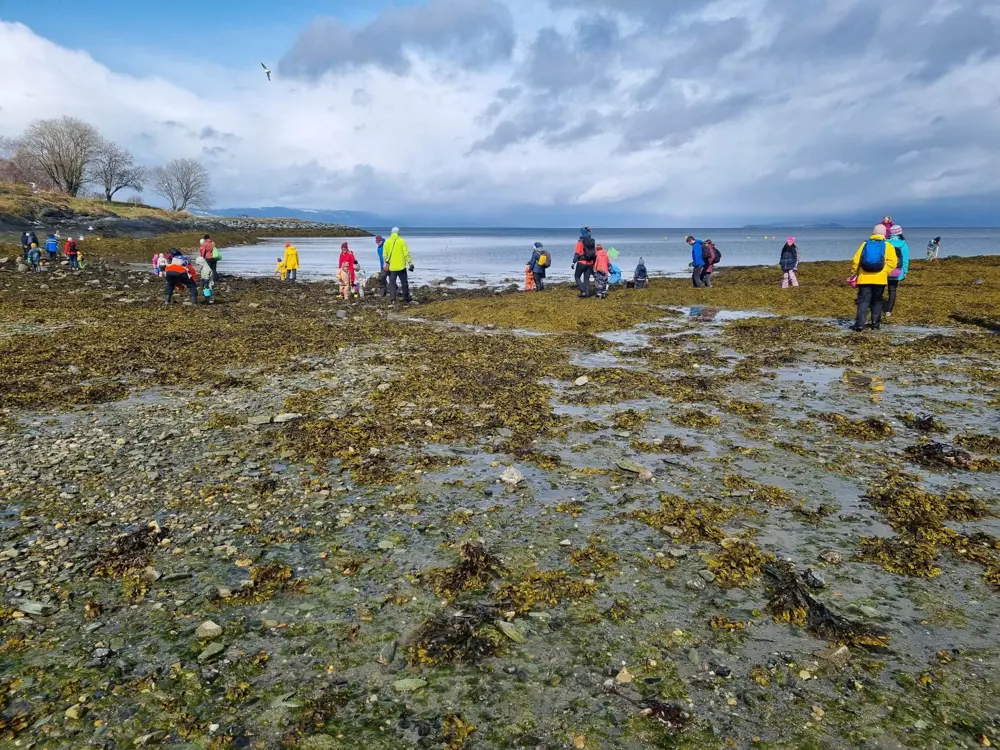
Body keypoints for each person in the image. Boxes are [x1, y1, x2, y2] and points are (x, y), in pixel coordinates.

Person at [850, 226, 898, 331]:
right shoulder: (888, 245)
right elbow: (893, 262)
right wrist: (885, 272)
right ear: (884, 234)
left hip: (864, 278)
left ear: (873, 233)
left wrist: (856, 272)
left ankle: (860, 324)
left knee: (863, 301)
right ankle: (875, 324)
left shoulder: (864, 244)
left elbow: (856, 260)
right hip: (880, 279)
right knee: (877, 301)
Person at [383, 227, 414, 303]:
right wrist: (410, 263)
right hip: (401, 267)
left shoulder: (387, 242)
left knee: (392, 284)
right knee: (404, 283)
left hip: (391, 267)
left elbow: (384, 255)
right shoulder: (402, 241)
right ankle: (406, 298)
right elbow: (406, 254)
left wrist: (387, 262)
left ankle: (393, 299)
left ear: (391, 232)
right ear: (398, 233)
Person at [884, 225, 909, 319]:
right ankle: (888, 311)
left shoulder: (885, 242)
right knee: (892, 290)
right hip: (897, 270)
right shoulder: (903, 244)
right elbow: (905, 259)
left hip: (884, 270)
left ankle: (876, 307)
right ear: (900, 233)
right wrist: (905, 271)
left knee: (881, 289)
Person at [572, 227, 596, 297]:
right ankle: (587, 294)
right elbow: (594, 252)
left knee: (577, 276)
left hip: (582, 262)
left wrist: (573, 262)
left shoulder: (580, 241)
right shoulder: (592, 241)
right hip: (590, 262)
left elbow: (577, 253)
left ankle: (583, 290)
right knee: (586, 279)